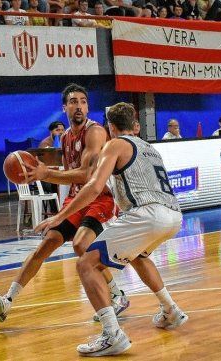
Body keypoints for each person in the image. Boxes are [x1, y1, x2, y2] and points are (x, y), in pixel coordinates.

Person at [35, 102, 188, 357]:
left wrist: (59, 216)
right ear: (136, 126)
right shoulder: (149, 148)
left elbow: (94, 186)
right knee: (139, 256)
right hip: (173, 214)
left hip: (147, 213)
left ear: (111, 128)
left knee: (87, 264)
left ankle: (111, 335)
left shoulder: (115, 144)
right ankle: (170, 309)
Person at [0, 84, 129, 323]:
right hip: (76, 197)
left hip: (99, 197)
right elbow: (70, 171)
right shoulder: (64, 137)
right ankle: (7, 300)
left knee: (81, 245)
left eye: (83, 101)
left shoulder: (95, 132)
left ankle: (118, 295)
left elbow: (86, 174)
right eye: (73, 101)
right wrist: (44, 170)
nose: (79, 106)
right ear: (64, 107)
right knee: (46, 245)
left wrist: (46, 174)